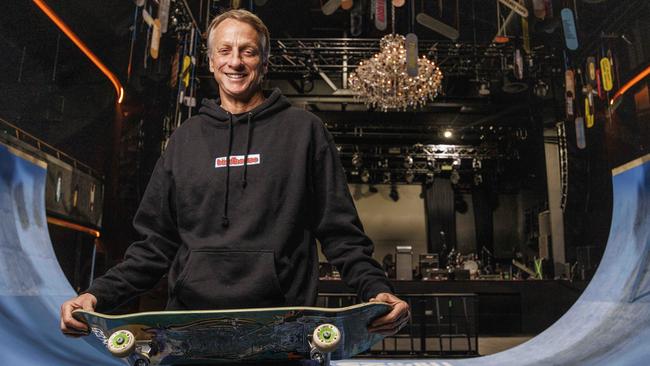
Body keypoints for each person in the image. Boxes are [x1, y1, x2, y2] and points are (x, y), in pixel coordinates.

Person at [61, 9, 409, 337]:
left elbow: (340, 233)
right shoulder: (185, 139)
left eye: (248, 51)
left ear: (264, 61)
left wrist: (376, 289)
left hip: (282, 326)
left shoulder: (304, 131)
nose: (236, 62)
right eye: (225, 50)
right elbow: (154, 246)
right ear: (211, 62)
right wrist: (97, 295)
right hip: (191, 327)